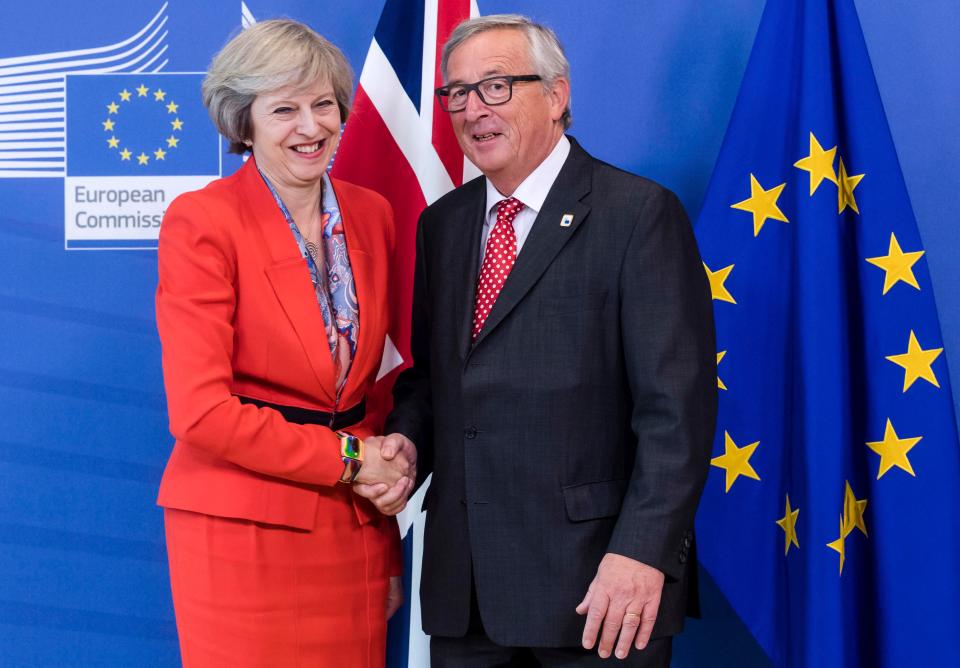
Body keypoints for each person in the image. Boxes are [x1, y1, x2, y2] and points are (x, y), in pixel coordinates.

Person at [358, 14, 717, 667]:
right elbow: (437, 383)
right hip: (465, 593)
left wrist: (642, 552)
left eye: (496, 87)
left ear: (556, 96)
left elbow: (677, 416)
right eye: (457, 93)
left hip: (598, 591)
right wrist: (407, 441)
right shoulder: (444, 226)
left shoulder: (638, 215)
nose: (472, 109)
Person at [154, 19, 415, 667]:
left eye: (324, 104)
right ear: (243, 122)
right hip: (242, 531)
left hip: (353, 531)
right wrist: (353, 460)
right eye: (285, 109)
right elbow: (201, 412)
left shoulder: (373, 213)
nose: (311, 126)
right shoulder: (203, 222)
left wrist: (384, 514)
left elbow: (372, 393)